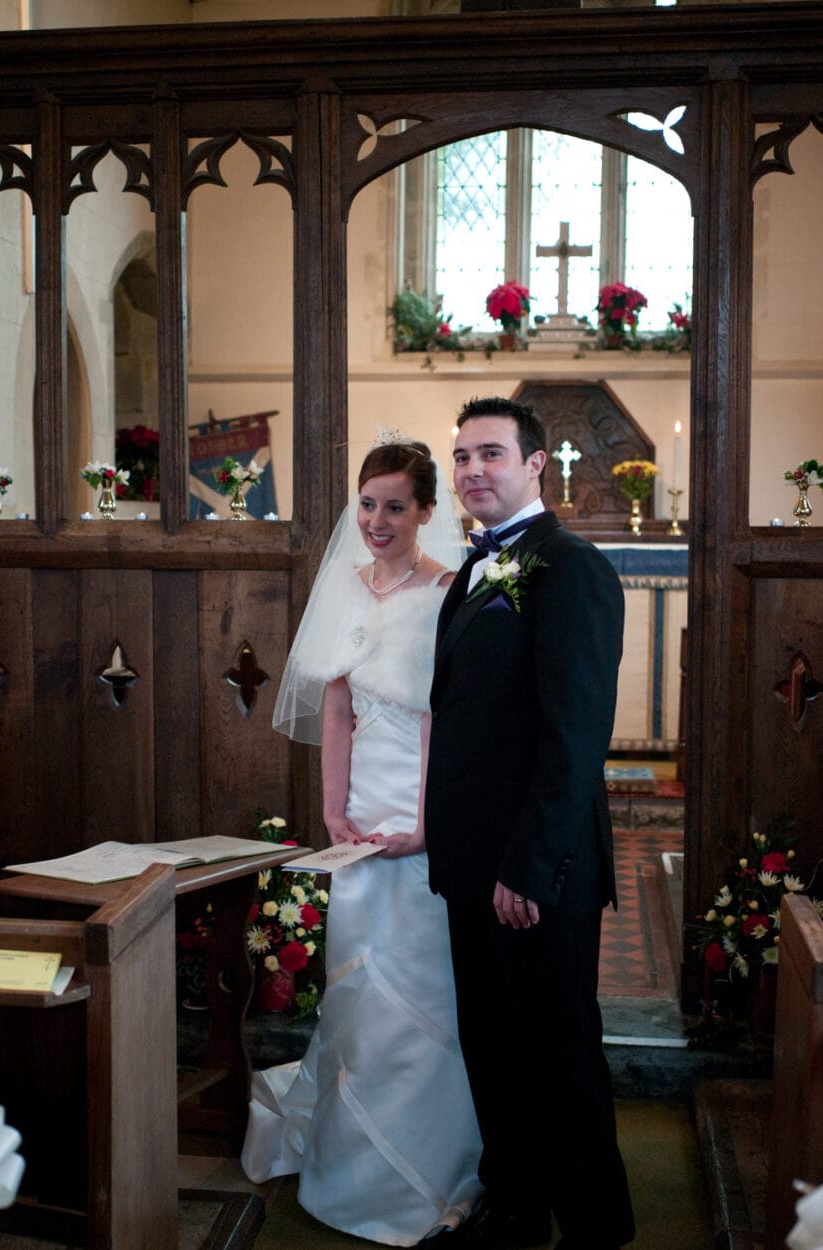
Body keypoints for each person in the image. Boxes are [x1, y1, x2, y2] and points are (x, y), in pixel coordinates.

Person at [241, 433, 483, 1247]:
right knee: (355, 978)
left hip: (420, 808)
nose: (378, 521)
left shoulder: (447, 591)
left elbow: (440, 720)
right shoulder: (345, 587)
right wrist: (332, 813)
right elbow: (338, 712)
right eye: (368, 505)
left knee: (419, 979)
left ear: (425, 512)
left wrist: (425, 825)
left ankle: (430, 1171)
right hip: (359, 812)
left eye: (395, 507)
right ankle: (348, 1166)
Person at [422, 397, 635, 1250]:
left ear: (535, 464)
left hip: (536, 870)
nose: (473, 470)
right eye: (462, 456)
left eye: (491, 454)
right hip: (473, 861)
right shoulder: (476, 567)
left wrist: (527, 866)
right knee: (492, 1045)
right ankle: (514, 1210)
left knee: (556, 1051)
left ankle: (594, 1228)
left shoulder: (570, 567)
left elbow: (574, 736)